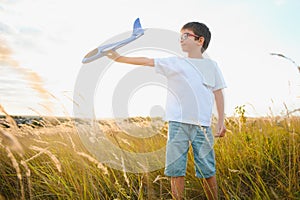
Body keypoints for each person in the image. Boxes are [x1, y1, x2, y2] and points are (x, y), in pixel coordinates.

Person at [107, 21, 226, 200]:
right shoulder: (174, 63)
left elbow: (218, 94)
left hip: (202, 125)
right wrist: (119, 58)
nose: (181, 39)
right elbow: (147, 61)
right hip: (177, 124)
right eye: (180, 36)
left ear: (200, 40)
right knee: (176, 169)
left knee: (207, 169)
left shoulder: (212, 66)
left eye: (186, 35)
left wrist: (221, 122)